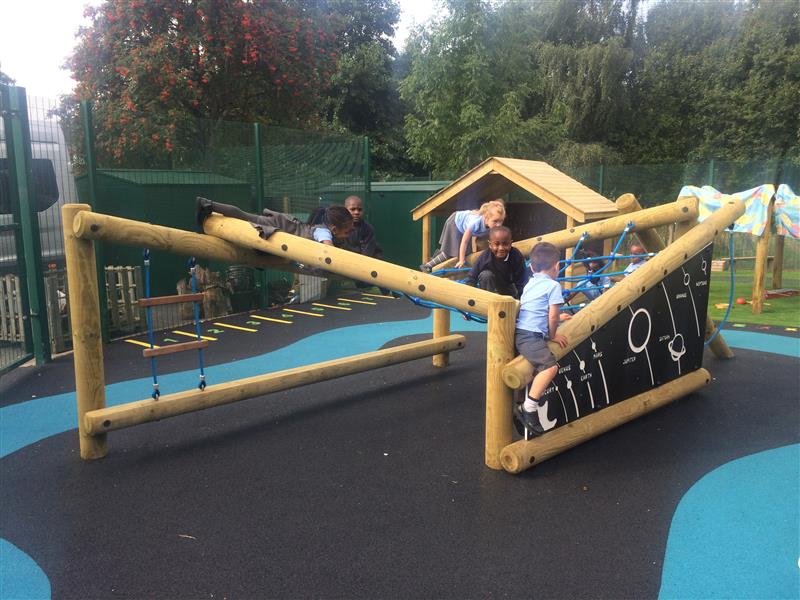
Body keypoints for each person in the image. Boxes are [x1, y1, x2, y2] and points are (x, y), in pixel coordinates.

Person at [513, 242, 569, 438]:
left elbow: (538, 309)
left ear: (531, 267)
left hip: (522, 333)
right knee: (550, 367)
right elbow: (552, 316)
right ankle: (528, 408)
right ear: (557, 266)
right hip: (530, 336)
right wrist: (553, 336)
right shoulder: (554, 285)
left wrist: (556, 319)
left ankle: (522, 406)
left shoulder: (531, 283)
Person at [195, 197, 353, 245]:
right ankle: (208, 204)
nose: (348, 235)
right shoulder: (323, 231)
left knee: (245, 216)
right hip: (279, 225)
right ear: (333, 229)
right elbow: (328, 250)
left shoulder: (320, 228)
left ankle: (210, 205)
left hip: (282, 223)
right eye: (347, 232)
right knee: (243, 216)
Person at [420, 199, 506, 272]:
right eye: (495, 221)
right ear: (486, 218)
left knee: (467, 254)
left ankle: (438, 255)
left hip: (462, 227)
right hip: (455, 223)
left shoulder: (491, 225)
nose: (498, 224)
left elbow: (484, 242)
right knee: (451, 253)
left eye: (501, 221)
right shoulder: (475, 223)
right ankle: (427, 265)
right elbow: (464, 242)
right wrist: (461, 260)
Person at [463, 226, 529, 298]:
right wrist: (469, 296)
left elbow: (522, 279)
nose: (501, 248)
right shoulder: (485, 257)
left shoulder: (516, 256)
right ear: (490, 245)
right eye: (497, 244)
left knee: (514, 296)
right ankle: (487, 300)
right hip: (490, 283)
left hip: (507, 284)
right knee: (485, 275)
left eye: (505, 244)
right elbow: (472, 277)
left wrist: (520, 299)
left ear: (510, 243)